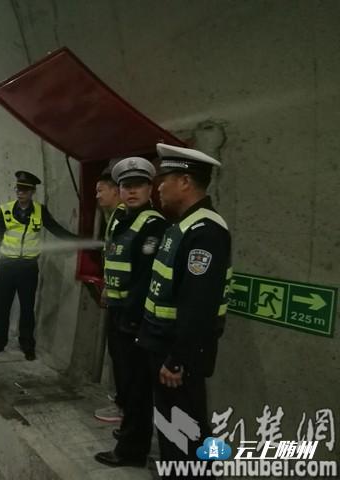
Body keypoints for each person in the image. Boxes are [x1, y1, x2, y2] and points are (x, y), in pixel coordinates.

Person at [138, 143, 232, 469]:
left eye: (164, 179)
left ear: (185, 182)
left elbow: (198, 306)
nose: (159, 187)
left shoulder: (206, 232)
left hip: (178, 355)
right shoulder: (182, 225)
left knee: (186, 432)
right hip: (164, 344)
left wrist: (177, 359)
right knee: (172, 429)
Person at [94, 157, 169, 467]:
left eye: (138, 185)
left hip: (135, 318)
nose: (131, 191)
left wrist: (132, 318)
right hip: (118, 311)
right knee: (125, 381)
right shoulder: (121, 218)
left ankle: (132, 450)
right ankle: (130, 432)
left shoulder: (153, 224)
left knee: (137, 385)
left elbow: (145, 277)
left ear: (150, 188)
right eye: (126, 186)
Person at [0, 171, 78, 361]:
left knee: (27, 308)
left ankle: (27, 344)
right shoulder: (5, 209)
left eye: (25, 190)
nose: (20, 193)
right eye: (18, 189)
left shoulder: (39, 210)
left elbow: (55, 228)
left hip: (28, 267)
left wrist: (77, 240)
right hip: (6, 265)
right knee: (2, 307)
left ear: (32, 192)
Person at [93, 171, 128, 423]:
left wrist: (110, 287)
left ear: (115, 191)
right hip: (117, 296)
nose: (97, 196)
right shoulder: (115, 216)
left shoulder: (122, 217)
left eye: (100, 190)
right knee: (118, 353)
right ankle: (122, 399)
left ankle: (124, 405)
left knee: (123, 355)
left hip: (124, 301)